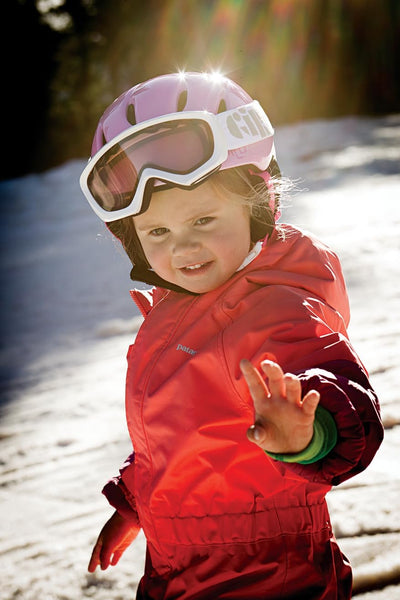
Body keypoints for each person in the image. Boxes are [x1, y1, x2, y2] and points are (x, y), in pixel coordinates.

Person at [80, 72, 384, 600]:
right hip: (179, 562)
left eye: (203, 219)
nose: (183, 247)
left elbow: (343, 398)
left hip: (265, 572)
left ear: (258, 204)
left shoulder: (274, 310)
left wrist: (310, 435)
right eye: (158, 233)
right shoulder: (177, 312)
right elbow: (178, 439)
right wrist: (137, 506)